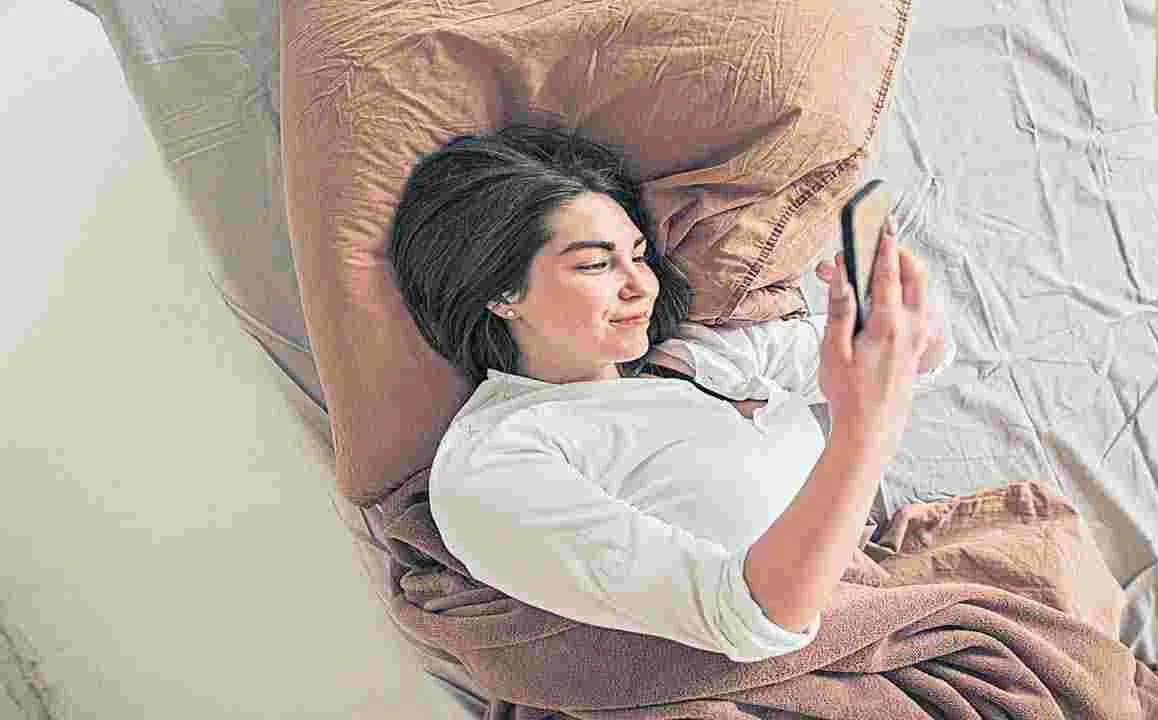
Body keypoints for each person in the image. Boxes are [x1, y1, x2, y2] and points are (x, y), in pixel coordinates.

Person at [386, 124, 954, 663]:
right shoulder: (497, 460)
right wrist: (865, 431)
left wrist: (891, 312)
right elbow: (754, 616)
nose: (641, 284)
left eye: (638, 255)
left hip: (882, 589)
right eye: (595, 264)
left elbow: (919, 356)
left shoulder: (693, 361)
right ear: (501, 293)